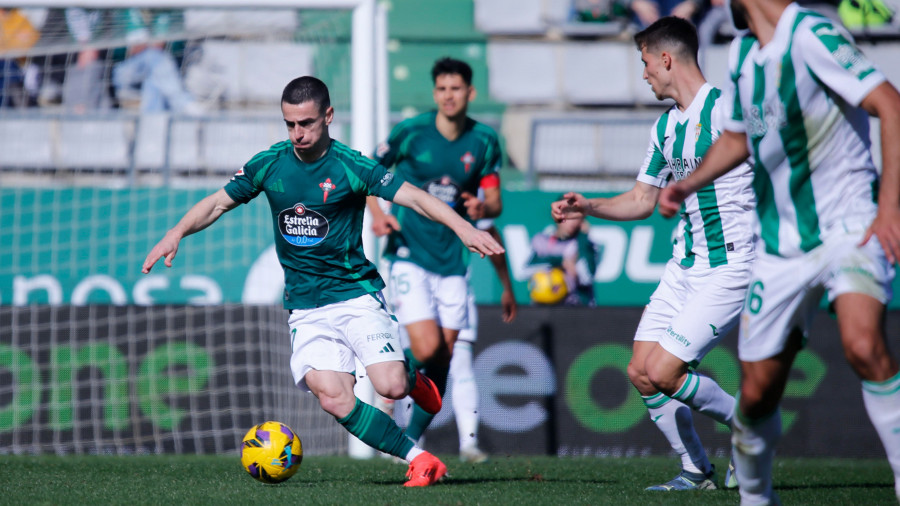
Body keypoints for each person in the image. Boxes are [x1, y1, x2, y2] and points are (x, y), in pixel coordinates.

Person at [142, 76, 505, 487]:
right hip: (305, 306)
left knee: (391, 385)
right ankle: (419, 458)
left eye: (307, 123)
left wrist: (464, 230)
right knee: (333, 396)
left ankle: (413, 380)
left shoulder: (351, 165)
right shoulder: (270, 163)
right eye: (290, 124)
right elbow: (217, 203)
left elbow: (417, 198)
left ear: (328, 116)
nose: (298, 134)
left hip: (355, 295)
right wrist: (177, 232)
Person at [657, 0, 900, 502]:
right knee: (757, 395)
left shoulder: (812, 34)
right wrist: (687, 184)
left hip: (847, 225)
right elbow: (737, 139)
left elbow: (890, 105)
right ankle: (755, 498)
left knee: (862, 345)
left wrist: (890, 208)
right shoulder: (744, 54)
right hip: (781, 248)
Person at [552, 16, 757, 491]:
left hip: (731, 265)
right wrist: (590, 206)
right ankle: (696, 471)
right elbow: (642, 200)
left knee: (665, 371)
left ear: (666, 59)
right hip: (685, 266)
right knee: (642, 374)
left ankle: (748, 428)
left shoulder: (728, 111)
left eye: (645, 62)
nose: (643, 74)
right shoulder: (665, 127)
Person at [366, 57, 504, 447]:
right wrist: (378, 214)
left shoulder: (484, 141)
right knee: (427, 348)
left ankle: (409, 445)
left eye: (456, 88)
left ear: (470, 93)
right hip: (409, 253)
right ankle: (389, 381)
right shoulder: (410, 133)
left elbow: (494, 201)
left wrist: (482, 209)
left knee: (443, 358)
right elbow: (366, 173)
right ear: (434, 93)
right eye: (442, 89)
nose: (448, 96)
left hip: (453, 261)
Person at [452, 221, 517, 463]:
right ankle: (410, 444)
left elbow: (490, 224)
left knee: (461, 366)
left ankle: (469, 444)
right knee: (415, 366)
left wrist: (506, 286)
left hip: (456, 289)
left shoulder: (465, 190)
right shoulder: (409, 188)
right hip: (414, 287)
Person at [526, 210, 598, 306]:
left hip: (574, 307)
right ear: (558, 217)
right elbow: (525, 270)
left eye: (576, 218)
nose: (572, 222)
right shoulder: (541, 240)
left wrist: (583, 237)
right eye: (568, 217)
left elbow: (587, 276)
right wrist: (561, 261)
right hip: (542, 304)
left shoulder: (585, 244)